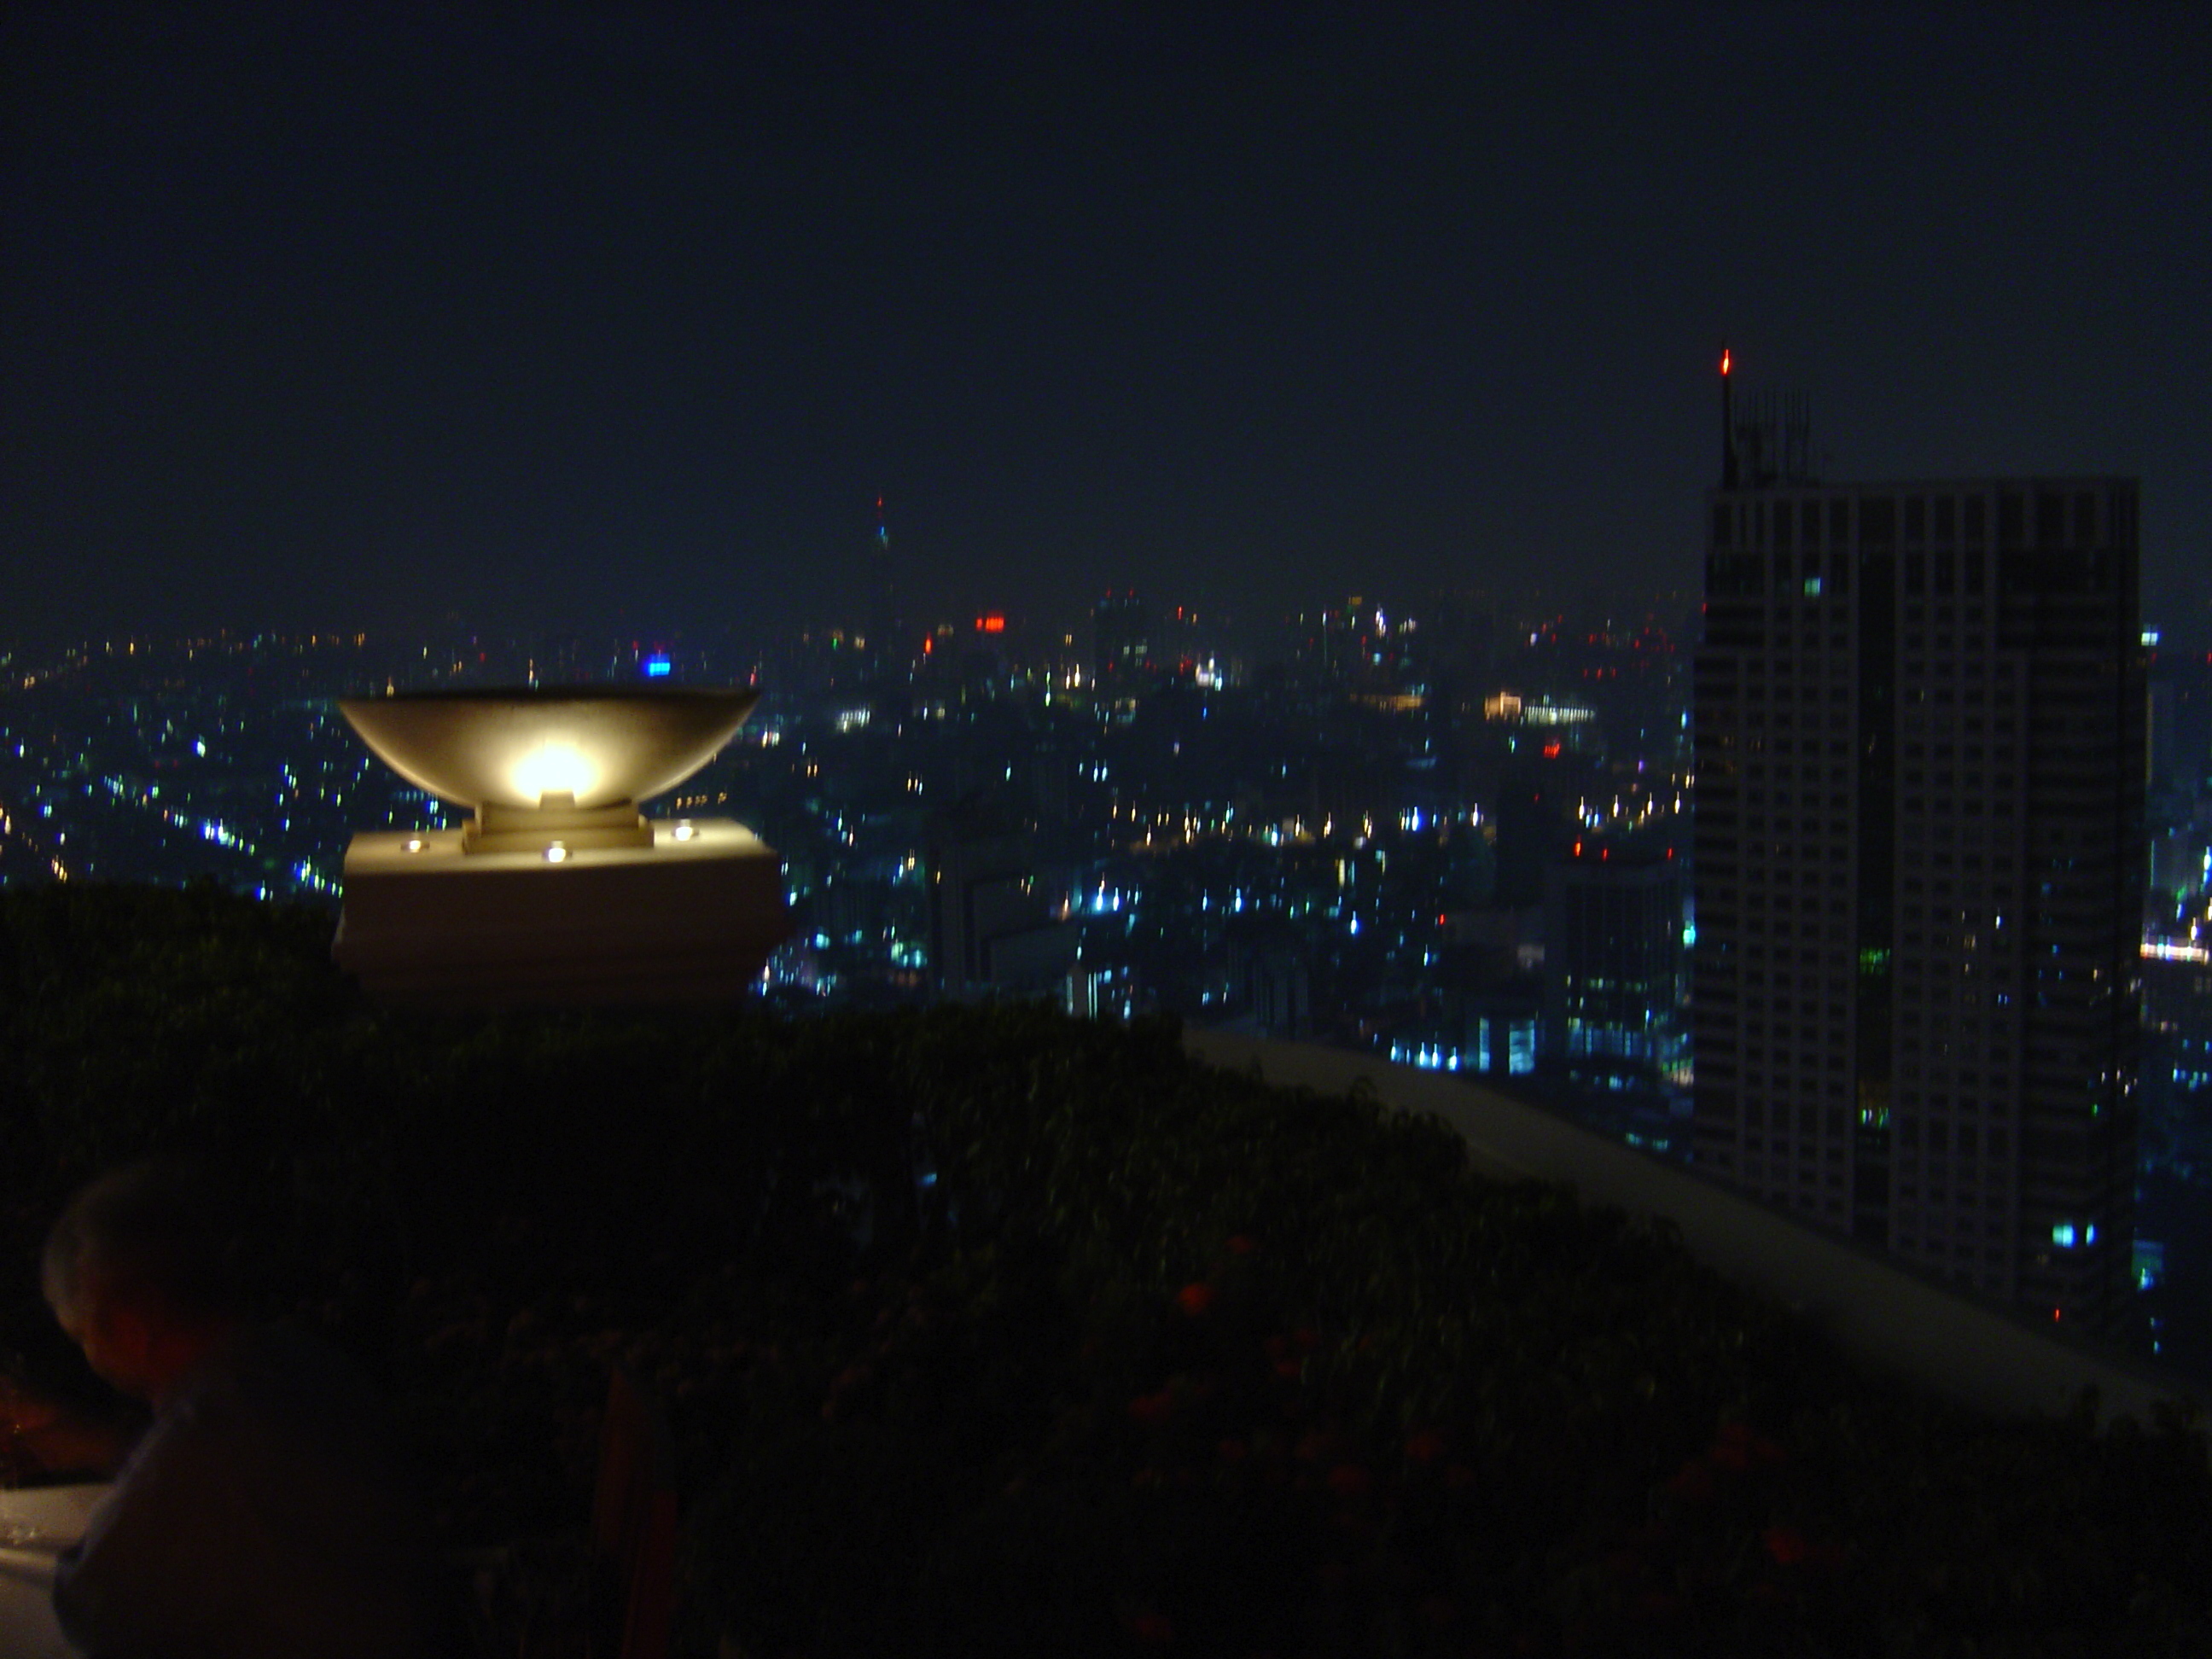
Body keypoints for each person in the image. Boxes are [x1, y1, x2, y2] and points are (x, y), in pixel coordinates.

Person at [9, 1162, 454, 1658]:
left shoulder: (211, 1428)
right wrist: (87, 1441)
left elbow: (95, 1609)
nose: (89, 1356)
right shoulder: (301, 1364)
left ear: (131, 1327)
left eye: (84, 1337)